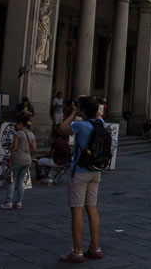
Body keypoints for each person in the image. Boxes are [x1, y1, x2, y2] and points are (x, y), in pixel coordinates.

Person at [57, 96, 105, 263]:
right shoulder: (102, 124)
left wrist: (73, 113)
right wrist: (90, 105)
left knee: (77, 210)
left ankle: (77, 251)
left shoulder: (80, 125)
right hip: (96, 171)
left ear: (83, 110)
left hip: (80, 171)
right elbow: (97, 114)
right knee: (92, 207)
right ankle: (95, 247)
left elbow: (61, 129)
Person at [0, 113, 37, 209]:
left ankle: (9, 201)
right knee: (21, 180)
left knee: (11, 180)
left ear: (20, 123)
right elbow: (34, 149)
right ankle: (19, 202)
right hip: (27, 159)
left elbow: (14, 149)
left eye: (17, 123)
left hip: (18, 159)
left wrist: (10, 161)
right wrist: (29, 155)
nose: (16, 125)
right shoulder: (31, 134)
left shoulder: (18, 134)